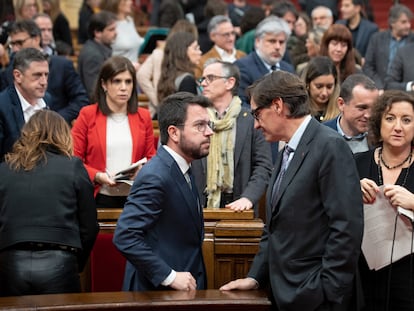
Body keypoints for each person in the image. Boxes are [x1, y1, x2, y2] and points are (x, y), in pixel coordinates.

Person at [220, 70, 363, 311]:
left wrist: (327, 290)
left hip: (316, 297)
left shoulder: (329, 146)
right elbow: (274, 227)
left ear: (278, 106)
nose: (255, 124)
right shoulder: (286, 150)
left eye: (257, 113)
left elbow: (347, 227)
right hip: (286, 293)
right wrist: (255, 276)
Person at [113, 92, 214, 291]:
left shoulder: (184, 167)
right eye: (199, 125)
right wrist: (168, 276)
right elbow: (125, 236)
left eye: (209, 125)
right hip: (156, 293)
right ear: (174, 133)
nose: (209, 132)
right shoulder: (156, 175)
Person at [0, 109, 99, 296]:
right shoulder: (73, 166)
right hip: (60, 262)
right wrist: (76, 261)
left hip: (11, 263)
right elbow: (89, 226)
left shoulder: (4, 170)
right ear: (62, 134)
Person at [72, 56, 156, 209]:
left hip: (134, 197)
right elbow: (73, 160)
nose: (123, 87)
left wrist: (142, 171)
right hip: (98, 195)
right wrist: (97, 176)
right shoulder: (88, 115)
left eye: (128, 82)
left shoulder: (143, 116)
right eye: (117, 81)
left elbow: (151, 157)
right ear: (104, 84)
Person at [356, 90, 414, 310]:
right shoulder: (355, 164)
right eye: (390, 118)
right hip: (362, 274)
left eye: (406, 120)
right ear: (378, 122)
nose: (397, 126)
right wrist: (351, 191)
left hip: (409, 278)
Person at [193, 59, 272, 214]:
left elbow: (263, 166)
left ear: (229, 83)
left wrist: (248, 198)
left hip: (239, 206)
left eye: (210, 78)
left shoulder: (250, 119)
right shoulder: (194, 117)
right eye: (202, 79)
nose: (203, 83)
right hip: (199, 207)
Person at [0, 20, 89, 124]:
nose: (15, 49)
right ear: (18, 75)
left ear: (36, 39)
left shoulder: (62, 65)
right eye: (13, 44)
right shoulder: (8, 71)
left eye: (19, 43)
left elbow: (81, 99)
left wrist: (53, 120)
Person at [137, 19, 198, 118]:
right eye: (195, 47)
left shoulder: (159, 52)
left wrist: (157, 101)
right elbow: (141, 75)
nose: (199, 51)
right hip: (171, 112)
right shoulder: (163, 54)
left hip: (163, 110)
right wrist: (157, 101)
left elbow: (141, 75)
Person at [0, 48, 51, 160]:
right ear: (18, 76)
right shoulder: (2, 106)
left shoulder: (47, 100)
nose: (44, 82)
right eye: (37, 75)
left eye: (46, 75)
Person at [235, 15, 294, 108]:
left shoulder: (288, 69)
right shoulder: (242, 67)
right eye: (272, 41)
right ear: (258, 42)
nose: (278, 47)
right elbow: (240, 105)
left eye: (281, 42)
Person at [363, 4, 414, 91]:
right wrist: (380, 86)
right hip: (379, 88)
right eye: (403, 22)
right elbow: (368, 66)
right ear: (392, 22)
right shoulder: (377, 39)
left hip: (404, 91)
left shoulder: (412, 41)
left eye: (409, 22)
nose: (408, 26)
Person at [324, 73, 379, 154]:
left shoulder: (381, 136)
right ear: (341, 104)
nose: (368, 115)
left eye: (373, 108)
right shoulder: (321, 135)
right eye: (362, 108)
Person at [77, 10, 117, 99]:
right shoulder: (93, 55)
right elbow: (94, 91)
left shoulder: (100, 49)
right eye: (111, 30)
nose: (116, 33)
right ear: (97, 33)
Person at [157, 31, 201, 104]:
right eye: (195, 48)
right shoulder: (187, 80)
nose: (200, 52)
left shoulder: (169, 76)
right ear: (183, 51)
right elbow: (189, 111)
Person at [100, 0, 143, 70]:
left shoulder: (129, 20)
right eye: (126, 0)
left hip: (135, 70)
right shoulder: (109, 26)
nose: (131, 2)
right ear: (116, 3)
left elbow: (135, 41)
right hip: (119, 71)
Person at [301, 56, 340, 122]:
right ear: (307, 84)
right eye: (319, 86)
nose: (324, 93)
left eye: (329, 87)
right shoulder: (298, 112)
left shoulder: (341, 112)